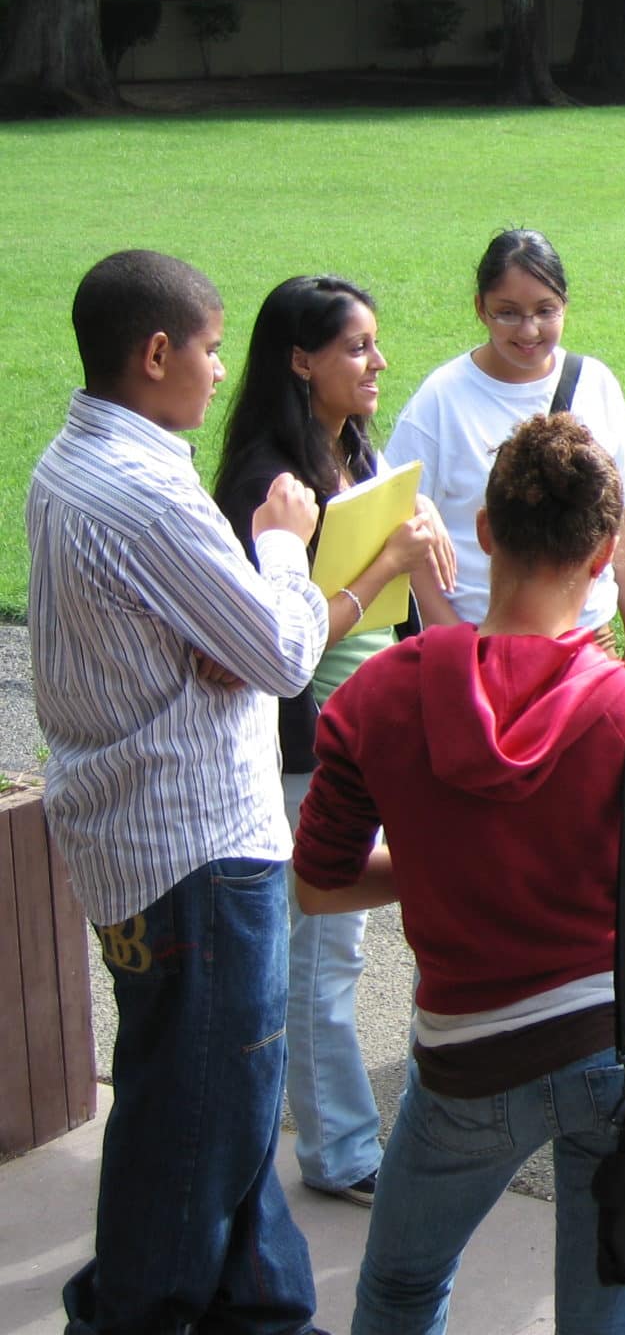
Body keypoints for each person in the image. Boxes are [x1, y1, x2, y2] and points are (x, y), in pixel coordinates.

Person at [293, 411, 625, 1335]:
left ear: (485, 531)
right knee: (603, 1314)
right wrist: (616, 868)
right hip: (623, 1047)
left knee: (401, 1289)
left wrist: (443, 858)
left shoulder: (373, 699)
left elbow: (320, 885)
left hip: (467, 1057)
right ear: (602, 558)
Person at [27, 249, 328, 1335]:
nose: (220, 369)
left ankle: (269, 1314)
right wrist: (281, 550)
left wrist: (226, 626)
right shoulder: (150, 495)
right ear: (155, 353)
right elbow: (282, 655)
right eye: (209, 348)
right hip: (198, 853)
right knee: (192, 1134)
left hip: (135, 847)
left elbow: (212, 642)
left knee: (211, 1109)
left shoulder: (70, 462)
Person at [212, 274, 458, 1208]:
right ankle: (341, 1151)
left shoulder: (355, 452)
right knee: (321, 962)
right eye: (357, 347)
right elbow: (275, 647)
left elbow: (403, 614)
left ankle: (368, 1134)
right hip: (309, 761)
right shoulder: (266, 487)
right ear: (299, 361)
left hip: (375, 741)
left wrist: (418, 548)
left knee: (358, 948)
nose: (378, 362)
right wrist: (391, 557)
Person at [386, 227, 625, 675]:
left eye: (545, 311)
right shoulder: (441, 399)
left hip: (588, 645)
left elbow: (624, 519)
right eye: (508, 313)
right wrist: (457, 648)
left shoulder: (595, 383)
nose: (529, 330)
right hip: (481, 646)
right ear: (481, 308)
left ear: (565, 303)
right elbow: (404, 531)